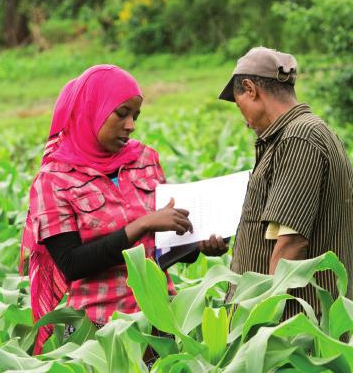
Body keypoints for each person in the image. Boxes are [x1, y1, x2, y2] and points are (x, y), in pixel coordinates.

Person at [20, 64, 195, 355]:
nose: (131, 125)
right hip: (98, 332)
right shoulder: (54, 179)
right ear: (93, 110)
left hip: (158, 321)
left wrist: (199, 244)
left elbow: (161, 249)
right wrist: (140, 226)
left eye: (136, 116)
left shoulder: (145, 159)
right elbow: (72, 263)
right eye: (122, 113)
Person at [203, 46, 353, 318]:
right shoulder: (309, 132)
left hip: (293, 328)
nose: (245, 122)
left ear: (251, 89)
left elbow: (290, 244)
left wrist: (263, 324)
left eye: (240, 106)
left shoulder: (298, 139)